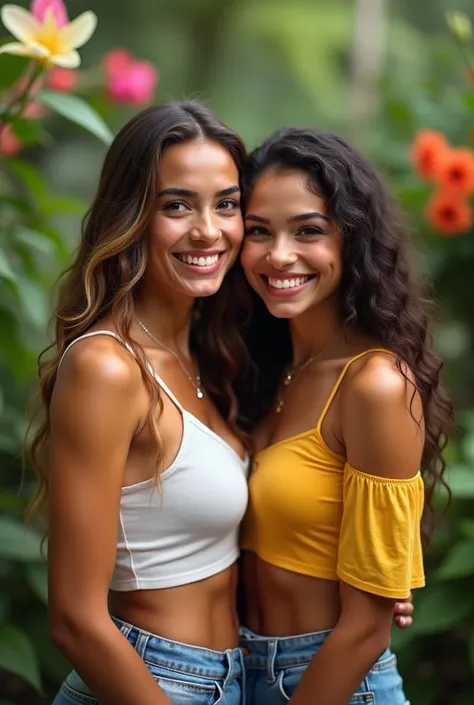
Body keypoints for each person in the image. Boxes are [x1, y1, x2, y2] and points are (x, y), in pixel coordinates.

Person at [29, 100, 251, 705]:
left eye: (226, 204)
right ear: (132, 215)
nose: (208, 230)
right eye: (176, 205)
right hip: (149, 685)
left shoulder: (209, 356)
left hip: (231, 680)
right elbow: (74, 620)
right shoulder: (107, 367)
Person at [238, 127, 452, 705]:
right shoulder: (265, 371)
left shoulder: (375, 384)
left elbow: (364, 629)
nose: (279, 255)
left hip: (332, 683)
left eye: (308, 230)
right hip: (239, 669)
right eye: (259, 232)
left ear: (352, 240)